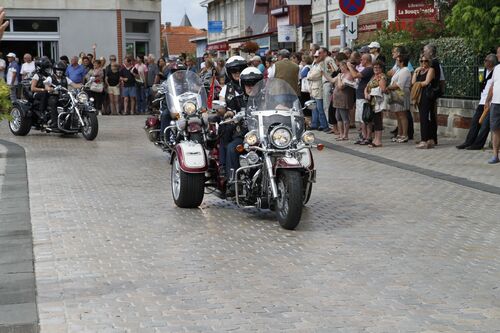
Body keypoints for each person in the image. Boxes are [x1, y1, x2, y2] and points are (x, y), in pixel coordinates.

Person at [225, 66, 263, 196]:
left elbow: (277, 107)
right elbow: (230, 110)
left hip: (264, 138)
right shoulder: (237, 100)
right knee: (231, 148)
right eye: (248, 84)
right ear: (243, 85)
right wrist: (229, 114)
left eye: (255, 84)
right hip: (244, 137)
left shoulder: (267, 99)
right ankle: (233, 182)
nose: (251, 87)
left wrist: (284, 108)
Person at [457, 54, 497, 150]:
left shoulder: (496, 72)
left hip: (491, 102)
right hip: (482, 101)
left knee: (485, 125)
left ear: (490, 63)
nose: (484, 62)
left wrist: (489, 100)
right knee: (475, 122)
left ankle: (478, 144)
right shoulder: (483, 71)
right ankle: (468, 142)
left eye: (485, 60)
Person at [218, 56, 247, 179]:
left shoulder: (254, 86)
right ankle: (225, 167)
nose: (237, 73)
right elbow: (221, 106)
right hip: (234, 123)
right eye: (234, 71)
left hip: (253, 123)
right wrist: (225, 112)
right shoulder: (226, 89)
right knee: (227, 129)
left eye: (240, 70)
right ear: (229, 73)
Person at [347, 53, 374, 145]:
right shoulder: (366, 69)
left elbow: (355, 76)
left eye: (362, 59)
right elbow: (357, 73)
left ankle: (368, 137)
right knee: (361, 118)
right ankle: (363, 135)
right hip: (360, 96)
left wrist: (349, 67)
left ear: (366, 60)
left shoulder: (369, 69)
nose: (360, 61)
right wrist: (353, 68)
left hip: (364, 97)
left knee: (366, 118)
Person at [412, 54, 437, 149]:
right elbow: (413, 82)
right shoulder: (419, 71)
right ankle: (429, 139)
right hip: (420, 96)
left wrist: (417, 85)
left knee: (425, 117)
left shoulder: (431, 70)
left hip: (427, 96)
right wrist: (415, 71)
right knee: (423, 117)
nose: (423, 63)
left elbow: (426, 82)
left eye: (425, 61)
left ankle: (425, 140)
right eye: (421, 61)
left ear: (429, 62)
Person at [387, 54, 412, 143]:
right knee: (398, 115)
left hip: (401, 93)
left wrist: (388, 87)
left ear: (401, 61)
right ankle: (399, 133)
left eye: (397, 60)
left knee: (402, 115)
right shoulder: (399, 70)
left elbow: (399, 84)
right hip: (395, 93)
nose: (396, 61)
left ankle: (404, 134)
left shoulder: (405, 70)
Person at [365, 60, 388, 148]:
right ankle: (375, 139)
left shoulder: (382, 77)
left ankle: (378, 140)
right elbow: (367, 87)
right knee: (374, 120)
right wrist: (366, 93)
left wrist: (370, 92)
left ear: (381, 68)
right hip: (371, 101)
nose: (376, 69)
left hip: (377, 102)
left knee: (378, 120)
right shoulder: (373, 76)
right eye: (374, 67)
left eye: (378, 67)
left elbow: (382, 89)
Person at [330, 60, 355, 140]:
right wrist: (323, 73)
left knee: (344, 117)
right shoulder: (341, 75)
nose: (340, 68)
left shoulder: (349, 75)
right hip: (337, 99)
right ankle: (341, 134)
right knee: (338, 117)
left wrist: (339, 77)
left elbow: (341, 86)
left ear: (345, 66)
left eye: (341, 66)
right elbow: (331, 80)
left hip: (344, 99)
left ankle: (345, 135)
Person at [485, 46, 500, 164]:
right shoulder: (497, 68)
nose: (497, 55)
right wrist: (487, 100)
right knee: (495, 129)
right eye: (497, 53)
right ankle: (495, 155)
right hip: (495, 103)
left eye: (499, 53)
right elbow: (492, 86)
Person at [307, 49, 329, 131]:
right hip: (312, 88)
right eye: (314, 56)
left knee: (320, 108)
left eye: (317, 56)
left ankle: (324, 125)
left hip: (318, 88)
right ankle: (315, 124)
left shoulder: (321, 64)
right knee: (314, 108)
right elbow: (309, 74)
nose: (315, 58)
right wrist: (309, 76)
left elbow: (314, 75)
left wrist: (309, 76)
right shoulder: (314, 64)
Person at [30, 57, 53, 122]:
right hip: (37, 93)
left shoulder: (49, 76)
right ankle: (41, 112)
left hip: (47, 92)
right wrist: (43, 90)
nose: (48, 69)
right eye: (46, 68)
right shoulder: (36, 75)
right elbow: (32, 88)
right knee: (44, 93)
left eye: (48, 67)